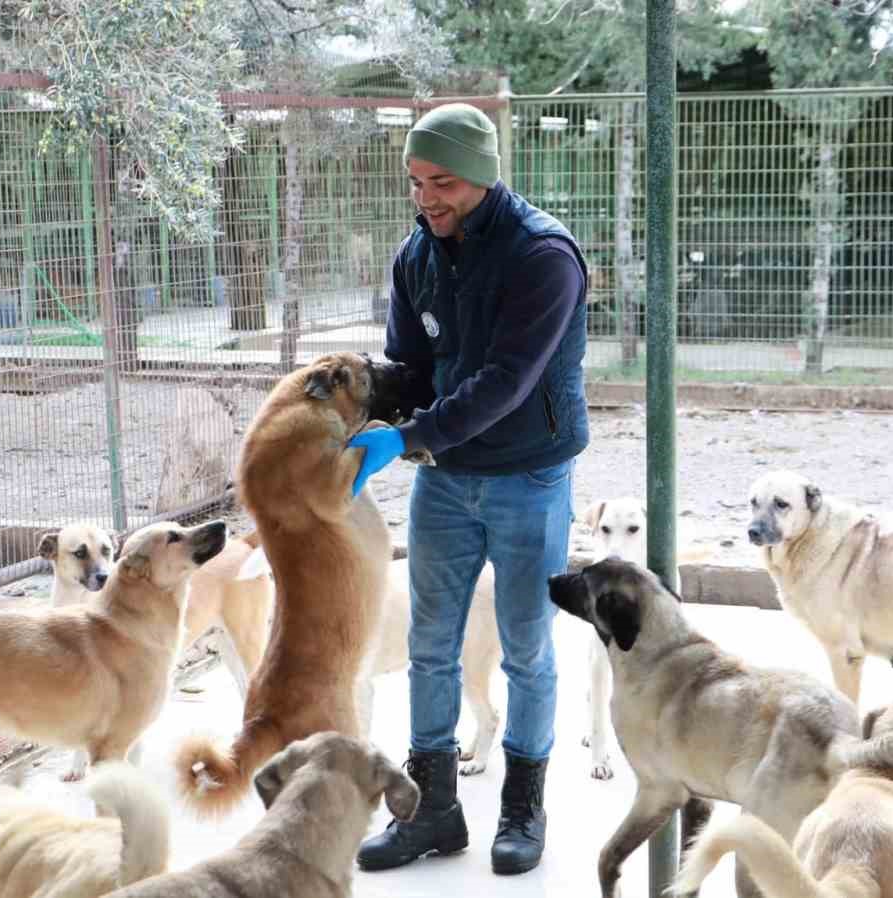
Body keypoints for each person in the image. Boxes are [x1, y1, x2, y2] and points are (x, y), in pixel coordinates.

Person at [348, 102, 590, 878]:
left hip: (527, 473)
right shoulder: (416, 254)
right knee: (428, 647)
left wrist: (408, 438)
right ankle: (434, 811)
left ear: (483, 176)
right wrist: (360, 413)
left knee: (524, 647)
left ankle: (523, 805)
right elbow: (411, 367)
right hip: (446, 481)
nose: (426, 197)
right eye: (416, 181)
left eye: (442, 181)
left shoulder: (543, 257)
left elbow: (507, 383)